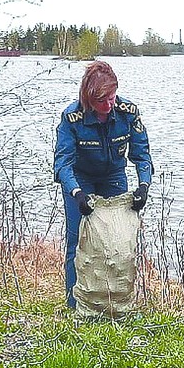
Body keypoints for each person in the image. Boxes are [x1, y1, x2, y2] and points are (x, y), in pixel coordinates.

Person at [54, 60, 153, 309]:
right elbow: (62, 163)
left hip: (114, 176)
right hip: (80, 179)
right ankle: (75, 306)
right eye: (101, 101)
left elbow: (141, 155)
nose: (108, 105)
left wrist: (143, 186)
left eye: (111, 97)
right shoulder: (71, 117)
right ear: (88, 98)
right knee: (77, 243)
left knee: (119, 242)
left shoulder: (128, 111)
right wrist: (77, 194)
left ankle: (115, 305)